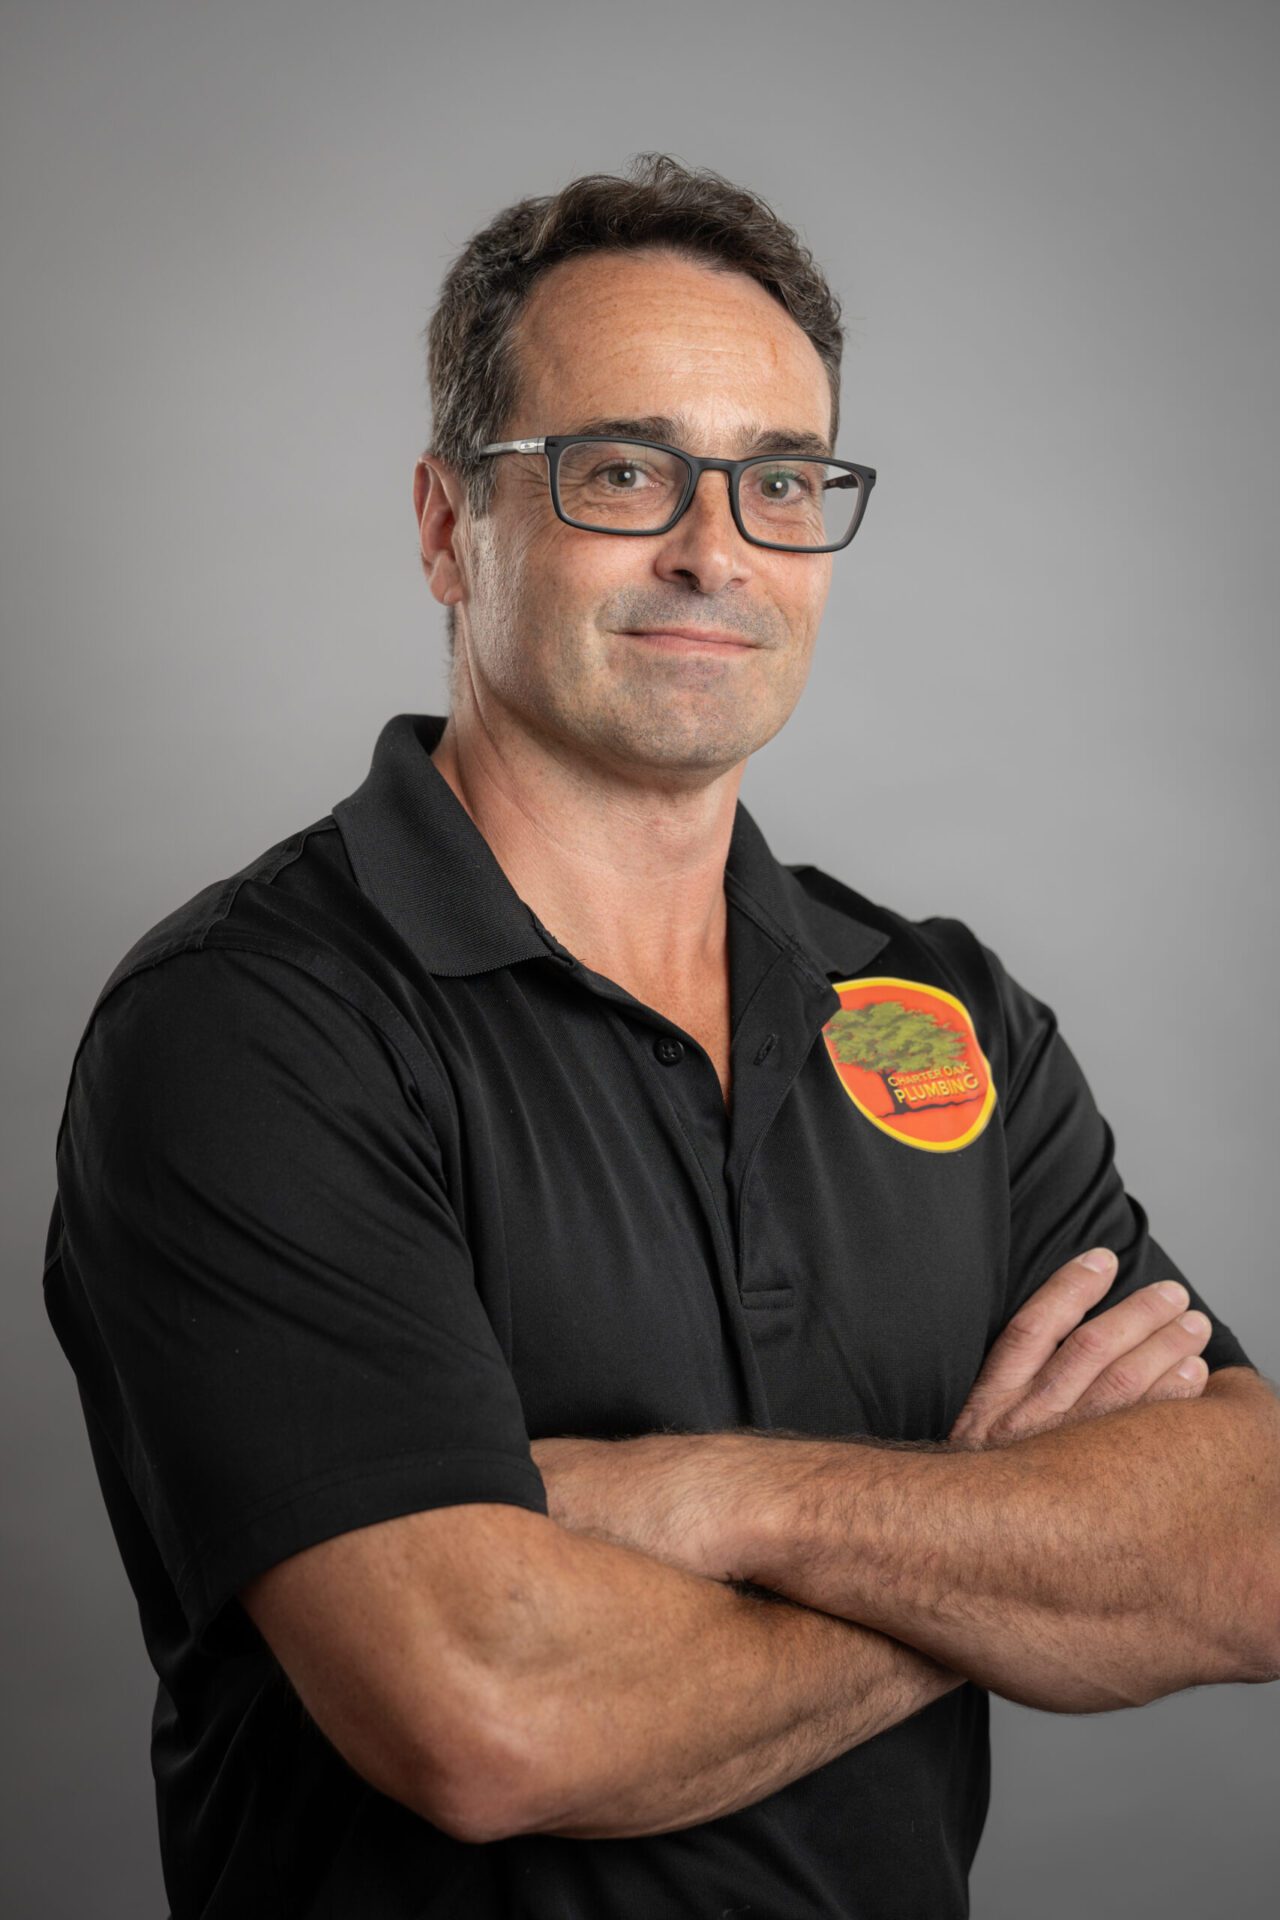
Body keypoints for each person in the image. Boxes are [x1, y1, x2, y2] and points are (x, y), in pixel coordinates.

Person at [44, 154, 1278, 1920]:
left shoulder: (938, 1013)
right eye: (626, 471)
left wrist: (710, 1502)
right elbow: (489, 1713)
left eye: (781, 481)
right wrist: (997, 1546)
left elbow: (1243, 1548)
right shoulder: (251, 1029)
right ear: (447, 524)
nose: (718, 550)